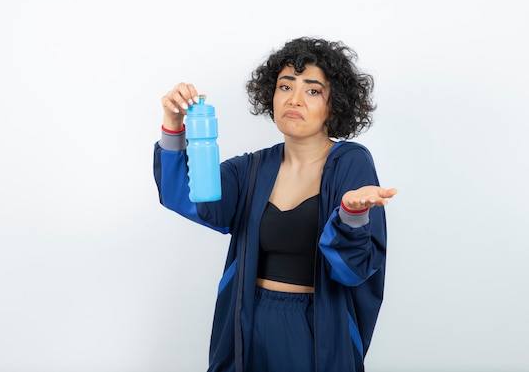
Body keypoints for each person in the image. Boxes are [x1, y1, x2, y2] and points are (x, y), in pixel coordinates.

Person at [153, 37, 397, 372]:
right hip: (248, 322)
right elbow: (190, 197)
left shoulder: (350, 162)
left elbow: (354, 269)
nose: (294, 99)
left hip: (314, 328)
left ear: (334, 105)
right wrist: (174, 124)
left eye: (312, 91)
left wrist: (352, 217)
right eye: (285, 86)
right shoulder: (252, 169)